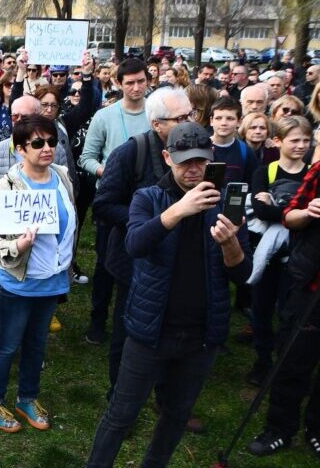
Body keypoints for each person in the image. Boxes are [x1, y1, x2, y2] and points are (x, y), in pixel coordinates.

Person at [87, 122, 250, 468]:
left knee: (176, 415)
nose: (193, 169)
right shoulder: (148, 197)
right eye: (184, 161)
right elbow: (135, 244)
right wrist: (179, 210)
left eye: (201, 161)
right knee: (121, 415)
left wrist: (230, 243)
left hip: (201, 336)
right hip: (150, 331)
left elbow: (242, 274)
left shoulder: (223, 203)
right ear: (167, 158)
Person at [0, 115, 75, 433]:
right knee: (7, 344)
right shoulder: (2, 188)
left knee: (37, 344)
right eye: (37, 143)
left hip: (53, 279)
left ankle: (27, 397)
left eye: (51, 142)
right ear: (20, 149)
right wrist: (14, 247)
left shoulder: (61, 176)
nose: (47, 148)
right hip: (17, 282)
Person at [79, 58, 153, 346]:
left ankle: (134, 319)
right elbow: (86, 158)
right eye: (129, 82)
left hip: (149, 202)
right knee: (106, 264)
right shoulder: (105, 116)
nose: (136, 87)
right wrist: (109, 172)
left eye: (141, 81)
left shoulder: (157, 113)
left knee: (145, 261)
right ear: (119, 84)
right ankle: (98, 321)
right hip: (113, 202)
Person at [244, 116, 311, 388]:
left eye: (306, 141)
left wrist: (277, 208)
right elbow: (260, 211)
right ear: (279, 141)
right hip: (268, 253)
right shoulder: (266, 171)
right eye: (295, 140)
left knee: (289, 310)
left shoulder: (311, 173)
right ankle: (262, 360)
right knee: (261, 307)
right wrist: (296, 213)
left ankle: (284, 362)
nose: (301, 146)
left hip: (298, 253)